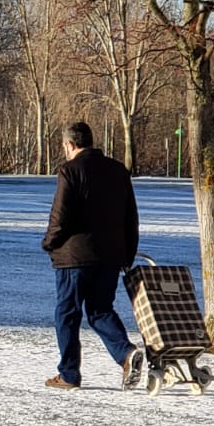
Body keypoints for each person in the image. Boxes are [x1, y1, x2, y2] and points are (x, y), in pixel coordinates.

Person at [41, 121, 142, 391]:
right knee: (100, 310)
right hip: (110, 257)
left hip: (74, 257)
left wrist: (49, 242)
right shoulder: (118, 171)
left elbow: (59, 216)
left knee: (67, 313)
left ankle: (69, 374)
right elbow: (130, 217)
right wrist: (127, 252)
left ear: (70, 145)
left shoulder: (69, 171)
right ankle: (126, 354)